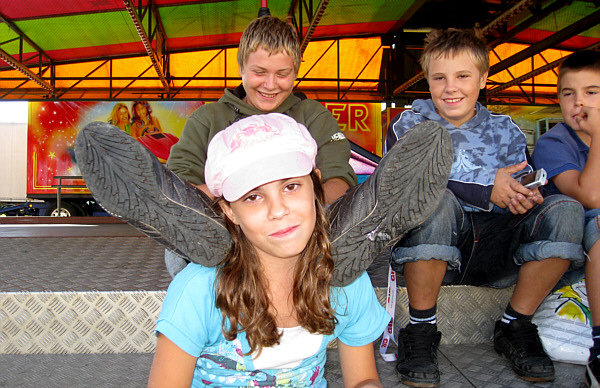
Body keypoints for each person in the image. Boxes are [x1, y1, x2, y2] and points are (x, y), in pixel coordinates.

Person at [385, 28, 586, 387]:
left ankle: (514, 324)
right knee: (436, 200)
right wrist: (484, 188)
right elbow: (409, 182)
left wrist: (524, 195)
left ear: (483, 78)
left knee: (566, 208)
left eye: (463, 76)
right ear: (426, 80)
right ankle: (421, 328)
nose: (451, 88)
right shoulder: (409, 123)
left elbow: (518, 180)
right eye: (439, 78)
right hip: (437, 247)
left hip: (498, 249)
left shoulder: (505, 129)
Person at [146, 113, 391, 387]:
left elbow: (364, 379)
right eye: (253, 196)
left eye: (291, 186)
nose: (278, 210)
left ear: (315, 186)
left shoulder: (346, 282)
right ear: (229, 211)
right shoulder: (198, 290)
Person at [531, 50, 600, 388]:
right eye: (568, 93)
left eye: (592, 92)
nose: (579, 103)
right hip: (577, 246)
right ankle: (599, 351)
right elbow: (589, 197)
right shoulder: (554, 142)